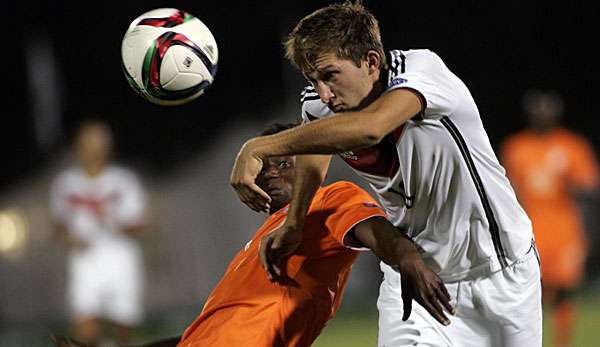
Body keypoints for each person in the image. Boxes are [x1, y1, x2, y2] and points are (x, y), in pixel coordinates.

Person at [230, 2, 542, 346]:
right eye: (312, 80)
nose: (323, 93)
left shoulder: (424, 71)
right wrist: (295, 222)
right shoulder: (318, 104)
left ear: (371, 61)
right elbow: (314, 152)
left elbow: (371, 129)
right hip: (415, 274)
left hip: (501, 273)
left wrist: (260, 147)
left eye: (330, 75)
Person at [52, 122, 449, 347]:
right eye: (265, 166)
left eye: (284, 163)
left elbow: (376, 231)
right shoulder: (271, 228)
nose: (271, 172)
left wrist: (408, 258)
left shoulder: (330, 199)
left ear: (310, 165)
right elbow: (209, 331)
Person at [501, 89, 599, 347]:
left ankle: (561, 342)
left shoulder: (572, 147)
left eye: (547, 110)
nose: (542, 115)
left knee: (565, 290)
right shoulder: (516, 147)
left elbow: (590, 189)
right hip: (531, 230)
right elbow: (506, 190)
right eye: (537, 110)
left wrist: (572, 185)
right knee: (532, 292)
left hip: (565, 229)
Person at [50, 120, 147, 346]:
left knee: (123, 330)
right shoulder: (65, 184)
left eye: (99, 143)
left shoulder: (124, 180)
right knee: (85, 329)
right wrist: (68, 238)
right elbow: (59, 225)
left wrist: (111, 219)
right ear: (78, 146)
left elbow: (140, 224)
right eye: (89, 143)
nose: (94, 149)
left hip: (120, 257)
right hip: (85, 260)